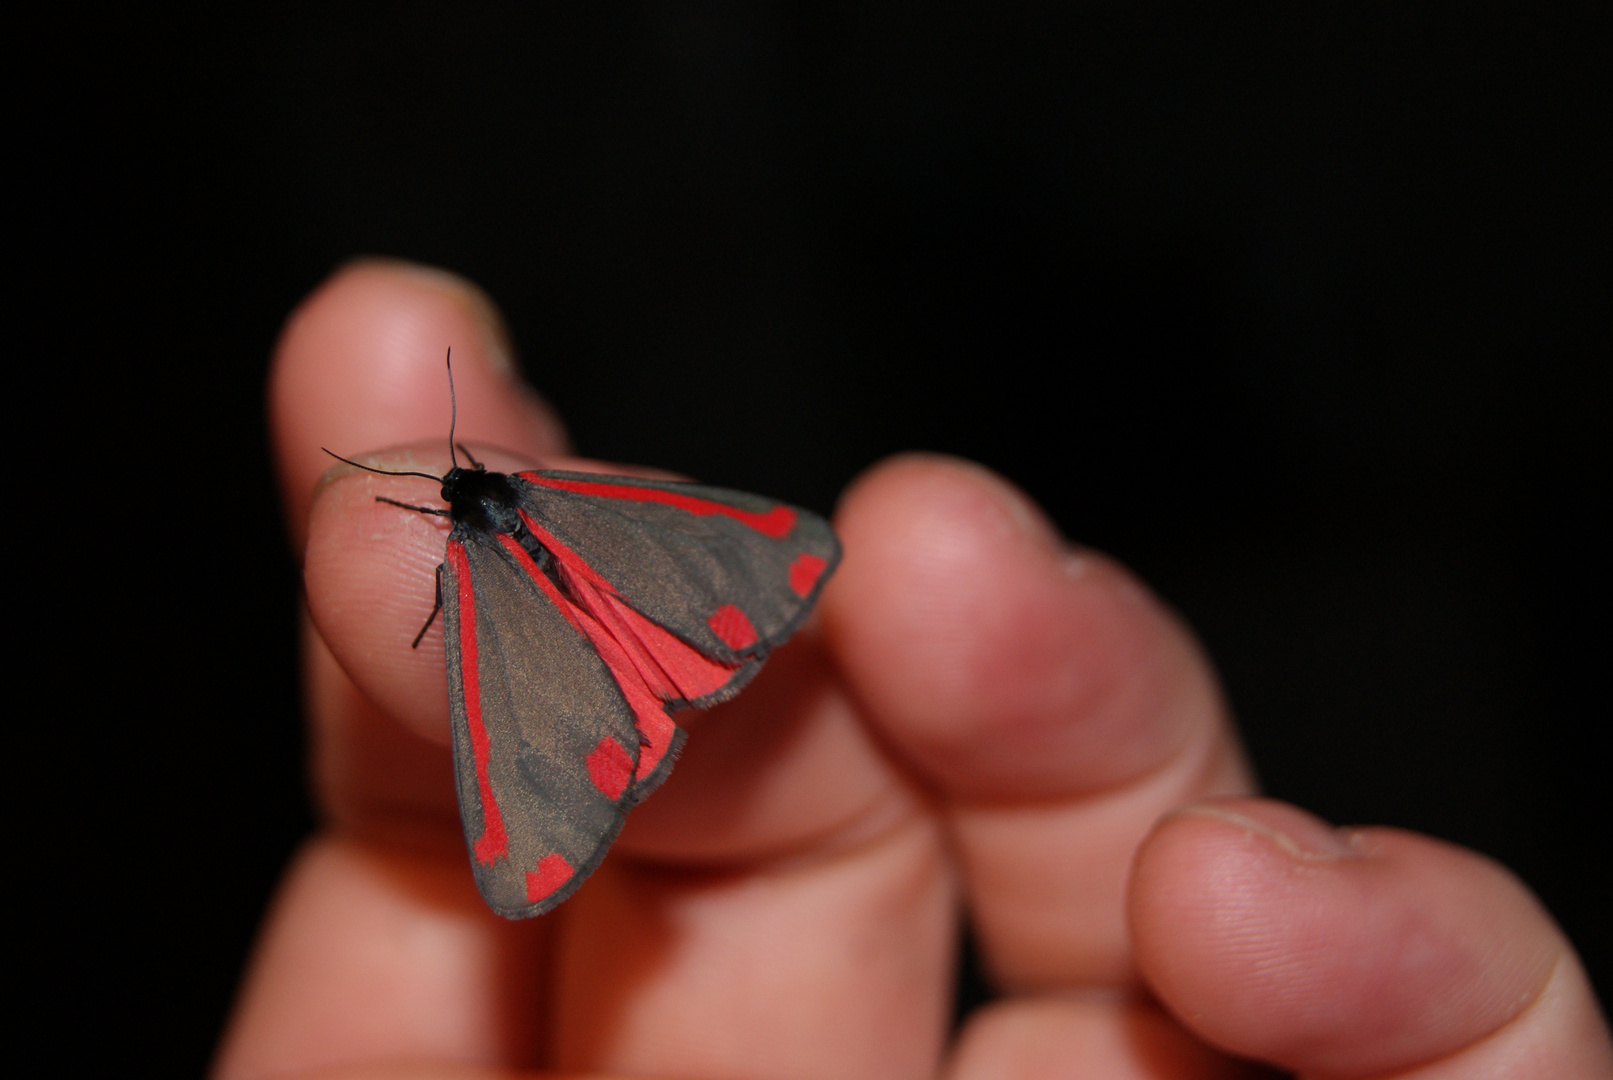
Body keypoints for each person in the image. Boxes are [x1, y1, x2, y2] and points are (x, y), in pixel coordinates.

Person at [213, 261, 1612, 1079]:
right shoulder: (479, 530)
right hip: (616, 596)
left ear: (455, 499)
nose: (444, 486)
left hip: (549, 619)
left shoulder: (463, 547)